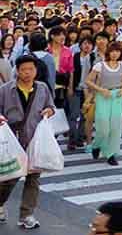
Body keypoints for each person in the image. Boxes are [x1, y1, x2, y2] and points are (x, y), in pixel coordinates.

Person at [0, 55, 55, 228]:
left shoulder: (42, 88)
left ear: (36, 70)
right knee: (9, 177)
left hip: (35, 139)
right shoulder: (5, 90)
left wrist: (48, 111)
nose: (27, 73)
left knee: (33, 178)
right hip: (13, 139)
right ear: (17, 70)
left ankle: (26, 215)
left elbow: (51, 107)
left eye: (31, 69)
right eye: (23, 69)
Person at [85, 42, 122, 165]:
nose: (115, 54)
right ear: (108, 52)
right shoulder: (100, 66)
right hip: (103, 96)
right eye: (112, 51)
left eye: (117, 51)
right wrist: (100, 90)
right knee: (103, 127)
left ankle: (111, 154)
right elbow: (88, 81)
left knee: (115, 127)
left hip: (118, 97)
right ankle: (96, 145)